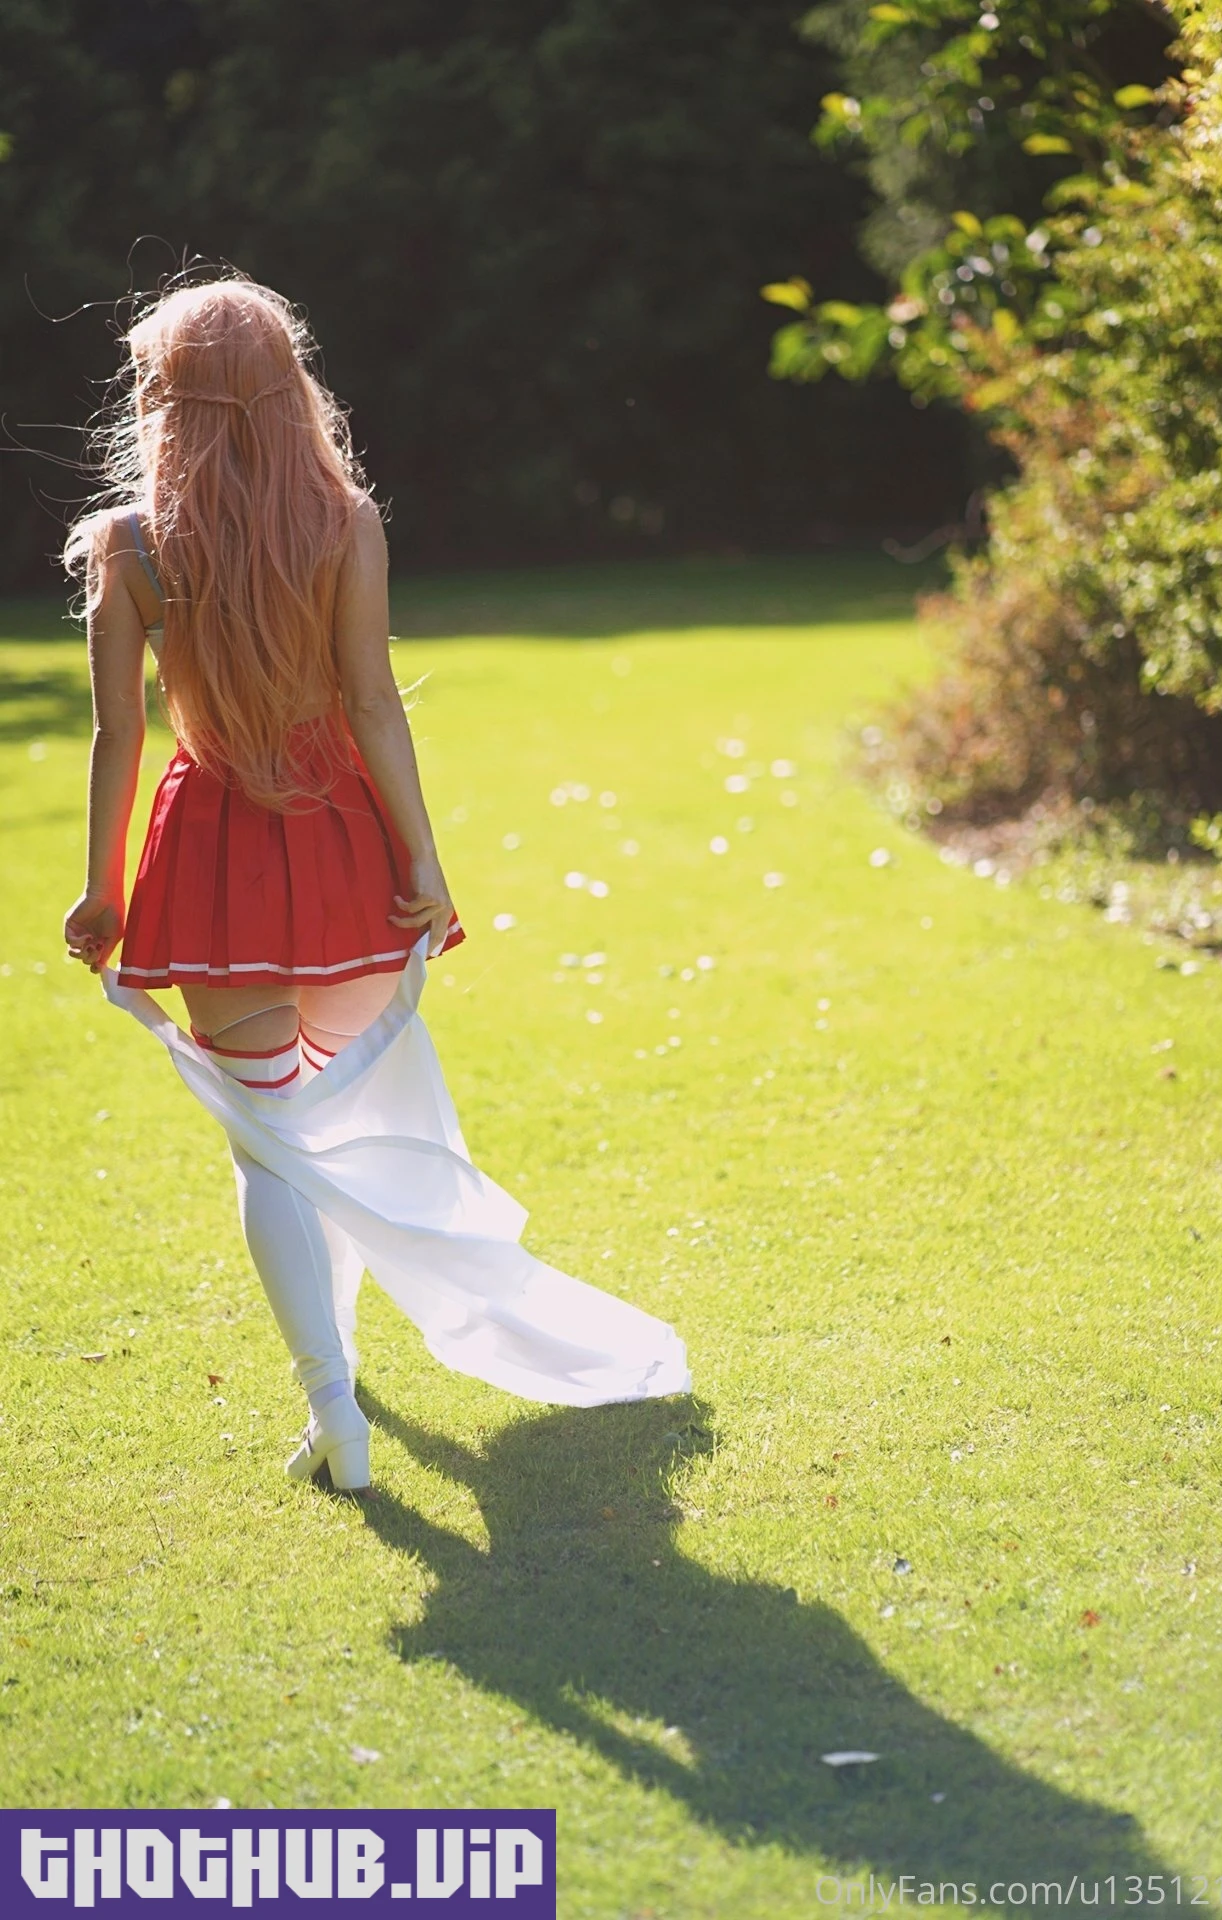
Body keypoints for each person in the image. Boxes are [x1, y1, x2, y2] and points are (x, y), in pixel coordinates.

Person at [63, 275, 690, 1497]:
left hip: (212, 850)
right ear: (283, 390)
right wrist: (422, 856)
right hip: (343, 837)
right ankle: (339, 1386)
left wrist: (101, 888)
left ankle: (331, 1404)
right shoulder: (343, 523)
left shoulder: (127, 547)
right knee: (335, 1127)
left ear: (170, 403)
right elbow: (370, 705)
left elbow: (119, 736)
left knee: (271, 1145)